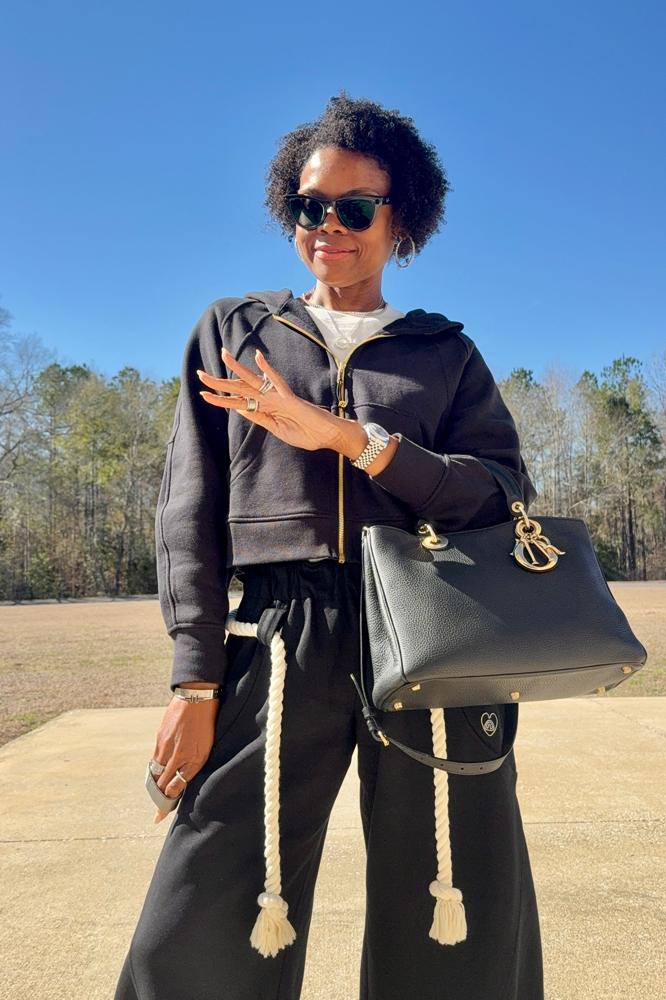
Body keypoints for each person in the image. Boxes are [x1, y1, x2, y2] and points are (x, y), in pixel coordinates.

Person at [114, 90, 544, 1000]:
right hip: (281, 633)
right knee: (215, 888)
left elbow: (498, 495)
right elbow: (189, 514)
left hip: (431, 628)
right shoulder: (236, 332)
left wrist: (354, 441)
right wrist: (193, 682)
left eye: (355, 208)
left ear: (401, 219)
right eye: (310, 206)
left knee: (455, 888)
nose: (328, 227)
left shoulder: (444, 354)